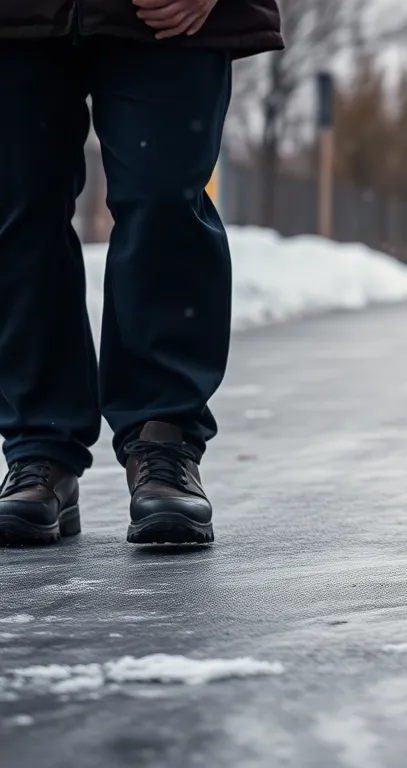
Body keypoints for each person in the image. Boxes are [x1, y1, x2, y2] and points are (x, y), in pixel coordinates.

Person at [0, 0, 282, 547]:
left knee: (163, 205)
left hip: (168, 15)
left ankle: (164, 438)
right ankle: (39, 447)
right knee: (16, 214)